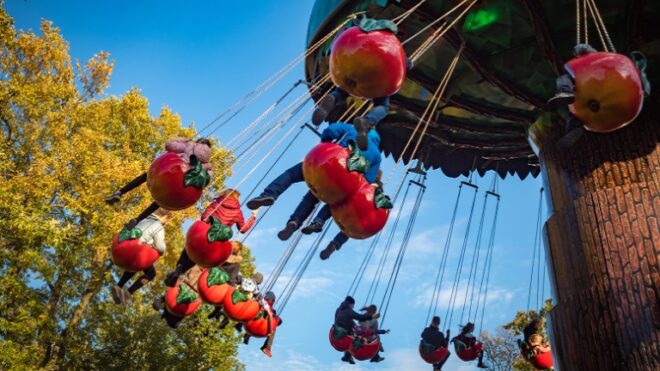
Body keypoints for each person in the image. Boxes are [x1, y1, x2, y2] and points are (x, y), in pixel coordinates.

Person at [246, 121, 380, 242]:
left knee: (291, 175)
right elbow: (367, 180)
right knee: (315, 197)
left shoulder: (351, 128)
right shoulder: (377, 155)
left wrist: (325, 145)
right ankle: (296, 222)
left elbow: (330, 131)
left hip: (331, 161)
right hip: (344, 179)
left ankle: (269, 194)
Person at [105, 137, 213, 229]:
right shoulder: (208, 165)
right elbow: (206, 180)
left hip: (171, 172)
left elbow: (169, 145)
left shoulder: (189, 145)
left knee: (146, 176)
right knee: (161, 201)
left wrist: (183, 139)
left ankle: (120, 192)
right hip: (182, 187)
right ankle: (138, 219)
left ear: (199, 142)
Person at [164, 189, 257, 287]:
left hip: (205, 234)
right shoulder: (238, 212)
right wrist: (253, 217)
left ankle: (178, 270)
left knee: (189, 251)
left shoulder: (217, 203)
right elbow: (243, 229)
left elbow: (204, 217)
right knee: (198, 259)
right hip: (216, 243)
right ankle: (184, 275)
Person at [111, 208, 171, 306]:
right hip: (135, 252)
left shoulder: (143, 219)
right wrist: (161, 251)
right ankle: (128, 293)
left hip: (123, 246)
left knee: (135, 264)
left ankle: (119, 286)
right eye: (167, 220)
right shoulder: (159, 226)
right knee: (151, 273)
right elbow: (160, 247)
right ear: (164, 217)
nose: (166, 223)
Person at [546, 44, 598, 149]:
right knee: (574, 114)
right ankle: (573, 130)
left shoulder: (596, 59)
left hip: (598, 82)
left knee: (563, 79)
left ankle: (565, 91)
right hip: (593, 92)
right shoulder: (591, 61)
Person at [334, 296, 380, 364]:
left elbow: (336, 319)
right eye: (353, 305)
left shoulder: (339, 309)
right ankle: (375, 356)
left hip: (338, 329)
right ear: (350, 304)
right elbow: (359, 318)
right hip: (350, 331)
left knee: (355, 335)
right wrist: (372, 317)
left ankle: (348, 356)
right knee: (359, 339)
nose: (353, 307)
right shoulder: (348, 310)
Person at [242, 291, 281, 358]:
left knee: (273, 327)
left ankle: (266, 347)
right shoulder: (262, 303)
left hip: (259, 326)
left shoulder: (269, 309)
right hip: (256, 324)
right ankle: (267, 347)